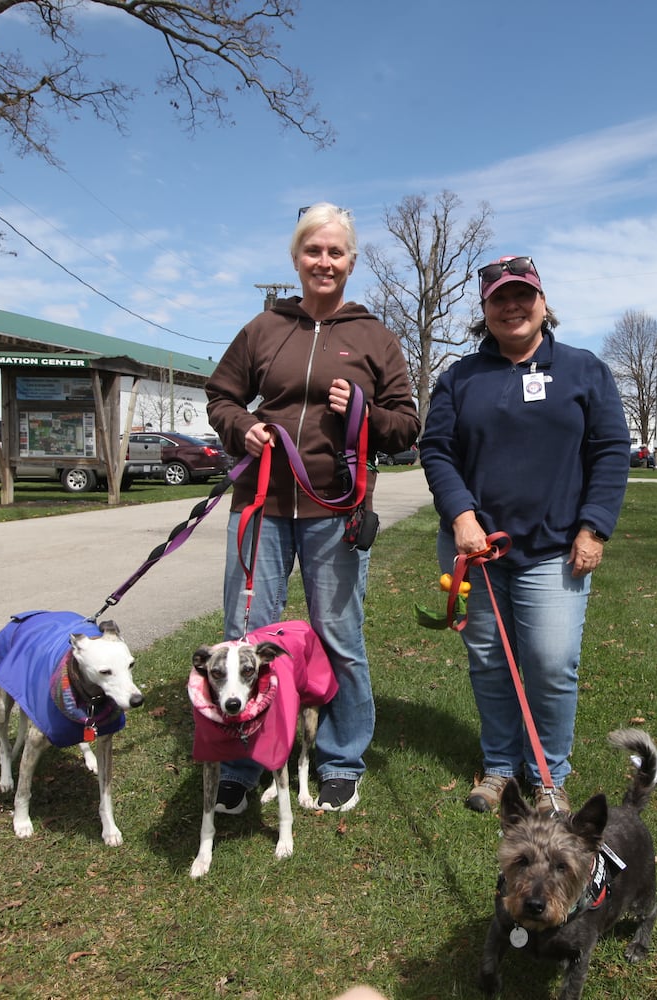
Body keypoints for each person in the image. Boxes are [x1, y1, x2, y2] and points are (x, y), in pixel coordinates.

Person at [205, 203, 419, 812]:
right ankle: (244, 764)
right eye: (313, 251)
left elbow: (406, 425)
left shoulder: (374, 336)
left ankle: (341, 757)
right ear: (296, 258)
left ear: (351, 261)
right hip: (261, 506)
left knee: (339, 637)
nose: (323, 262)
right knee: (244, 637)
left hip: (336, 511)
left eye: (335, 252)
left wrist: (363, 413)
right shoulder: (264, 329)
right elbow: (221, 395)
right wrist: (241, 425)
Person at [418, 255, 630, 814]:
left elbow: (610, 452)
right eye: (499, 299)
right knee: (489, 658)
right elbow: (437, 450)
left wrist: (595, 527)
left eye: (522, 295)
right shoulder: (460, 378)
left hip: (555, 548)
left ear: (543, 302)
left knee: (551, 660)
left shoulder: (585, 371)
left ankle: (548, 775)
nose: (512, 306)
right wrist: (462, 515)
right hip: (476, 549)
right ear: (485, 310)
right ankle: (499, 767)